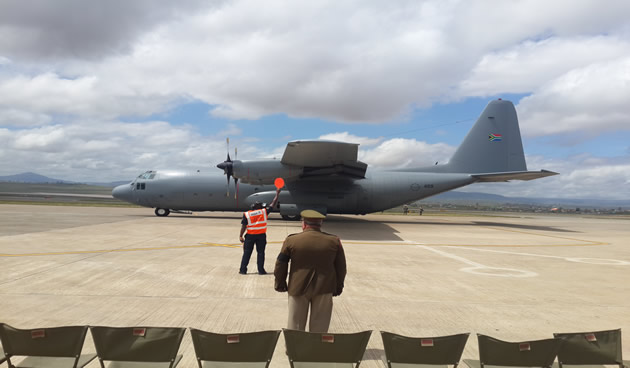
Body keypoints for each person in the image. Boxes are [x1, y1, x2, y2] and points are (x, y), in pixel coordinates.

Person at [274, 209, 347, 332]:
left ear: (304, 223)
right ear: (321, 224)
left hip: (297, 288)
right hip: (324, 288)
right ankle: (315, 349)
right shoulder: (334, 241)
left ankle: (294, 350)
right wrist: (338, 286)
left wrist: (280, 283)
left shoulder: (291, 240)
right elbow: (341, 267)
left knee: (295, 324)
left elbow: (281, 263)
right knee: (320, 326)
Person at [239, 187, 281, 275]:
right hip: (261, 236)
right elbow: (272, 204)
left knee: (247, 253)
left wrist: (240, 235)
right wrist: (277, 194)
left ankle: (243, 270)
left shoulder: (247, 214)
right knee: (261, 253)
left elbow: (244, 226)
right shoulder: (264, 212)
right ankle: (261, 270)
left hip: (250, 236)